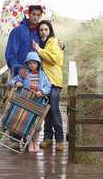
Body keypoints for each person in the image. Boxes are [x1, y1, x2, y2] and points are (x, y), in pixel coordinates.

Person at [8, 52, 51, 152]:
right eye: (30, 63)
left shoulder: (42, 75)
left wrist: (42, 91)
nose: (32, 65)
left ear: (38, 64)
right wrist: (16, 83)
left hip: (38, 102)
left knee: (37, 124)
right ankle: (29, 143)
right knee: (27, 122)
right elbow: (11, 82)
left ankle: (35, 142)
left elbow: (48, 86)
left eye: (35, 63)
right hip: (26, 101)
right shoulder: (24, 73)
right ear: (27, 64)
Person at [32, 20, 64, 151]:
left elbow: (54, 60)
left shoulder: (53, 41)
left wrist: (39, 50)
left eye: (46, 29)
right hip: (45, 83)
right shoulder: (41, 43)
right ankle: (47, 138)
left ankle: (60, 140)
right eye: (41, 30)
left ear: (50, 30)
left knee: (54, 110)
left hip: (54, 81)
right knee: (47, 111)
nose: (43, 32)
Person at [5, 5, 44, 76]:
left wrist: (61, 45)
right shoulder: (17, 31)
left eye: (38, 15)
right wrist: (18, 68)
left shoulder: (41, 31)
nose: (35, 17)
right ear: (28, 13)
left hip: (37, 74)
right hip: (20, 75)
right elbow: (10, 55)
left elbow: (51, 43)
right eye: (33, 14)